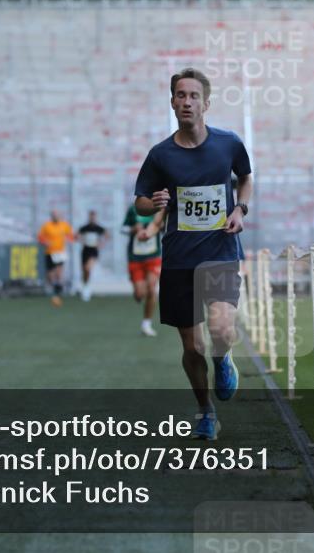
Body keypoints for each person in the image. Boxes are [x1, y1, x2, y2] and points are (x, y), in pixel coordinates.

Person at [134, 68, 253, 441]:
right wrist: (152, 203)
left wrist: (240, 210)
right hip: (179, 260)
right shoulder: (160, 155)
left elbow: (246, 178)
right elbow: (139, 203)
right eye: (180, 95)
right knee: (192, 346)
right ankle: (205, 412)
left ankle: (224, 359)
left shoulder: (228, 143)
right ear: (172, 102)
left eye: (193, 96)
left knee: (220, 330)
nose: (186, 102)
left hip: (220, 252)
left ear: (206, 103)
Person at [123, 205, 166, 337]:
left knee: (152, 289)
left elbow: (165, 227)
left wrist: (161, 225)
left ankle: (146, 324)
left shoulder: (159, 209)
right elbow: (122, 228)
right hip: (135, 257)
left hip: (153, 256)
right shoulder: (132, 209)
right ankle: (138, 293)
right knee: (140, 294)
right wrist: (133, 229)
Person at [37, 209, 74, 307]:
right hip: (49, 252)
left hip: (60, 252)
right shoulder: (47, 225)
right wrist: (45, 242)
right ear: (51, 216)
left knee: (59, 273)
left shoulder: (64, 225)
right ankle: (54, 289)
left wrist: (70, 239)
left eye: (57, 215)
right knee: (50, 275)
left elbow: (71, 235)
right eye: (54, 215)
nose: (56, 217)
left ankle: (58, 292)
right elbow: (40, 237)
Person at [77, 210, 106, 302]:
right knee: (84, 271)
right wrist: (81, 240)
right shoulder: (84, 228)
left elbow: (107, 235)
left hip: (93, 251)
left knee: (88, 268)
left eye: (93, 216)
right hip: (85, 251)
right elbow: (77, 235)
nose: (92, 218)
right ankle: (85, 286)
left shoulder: (98, 228)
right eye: (91, 216)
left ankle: (87, 288)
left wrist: (101, 243)